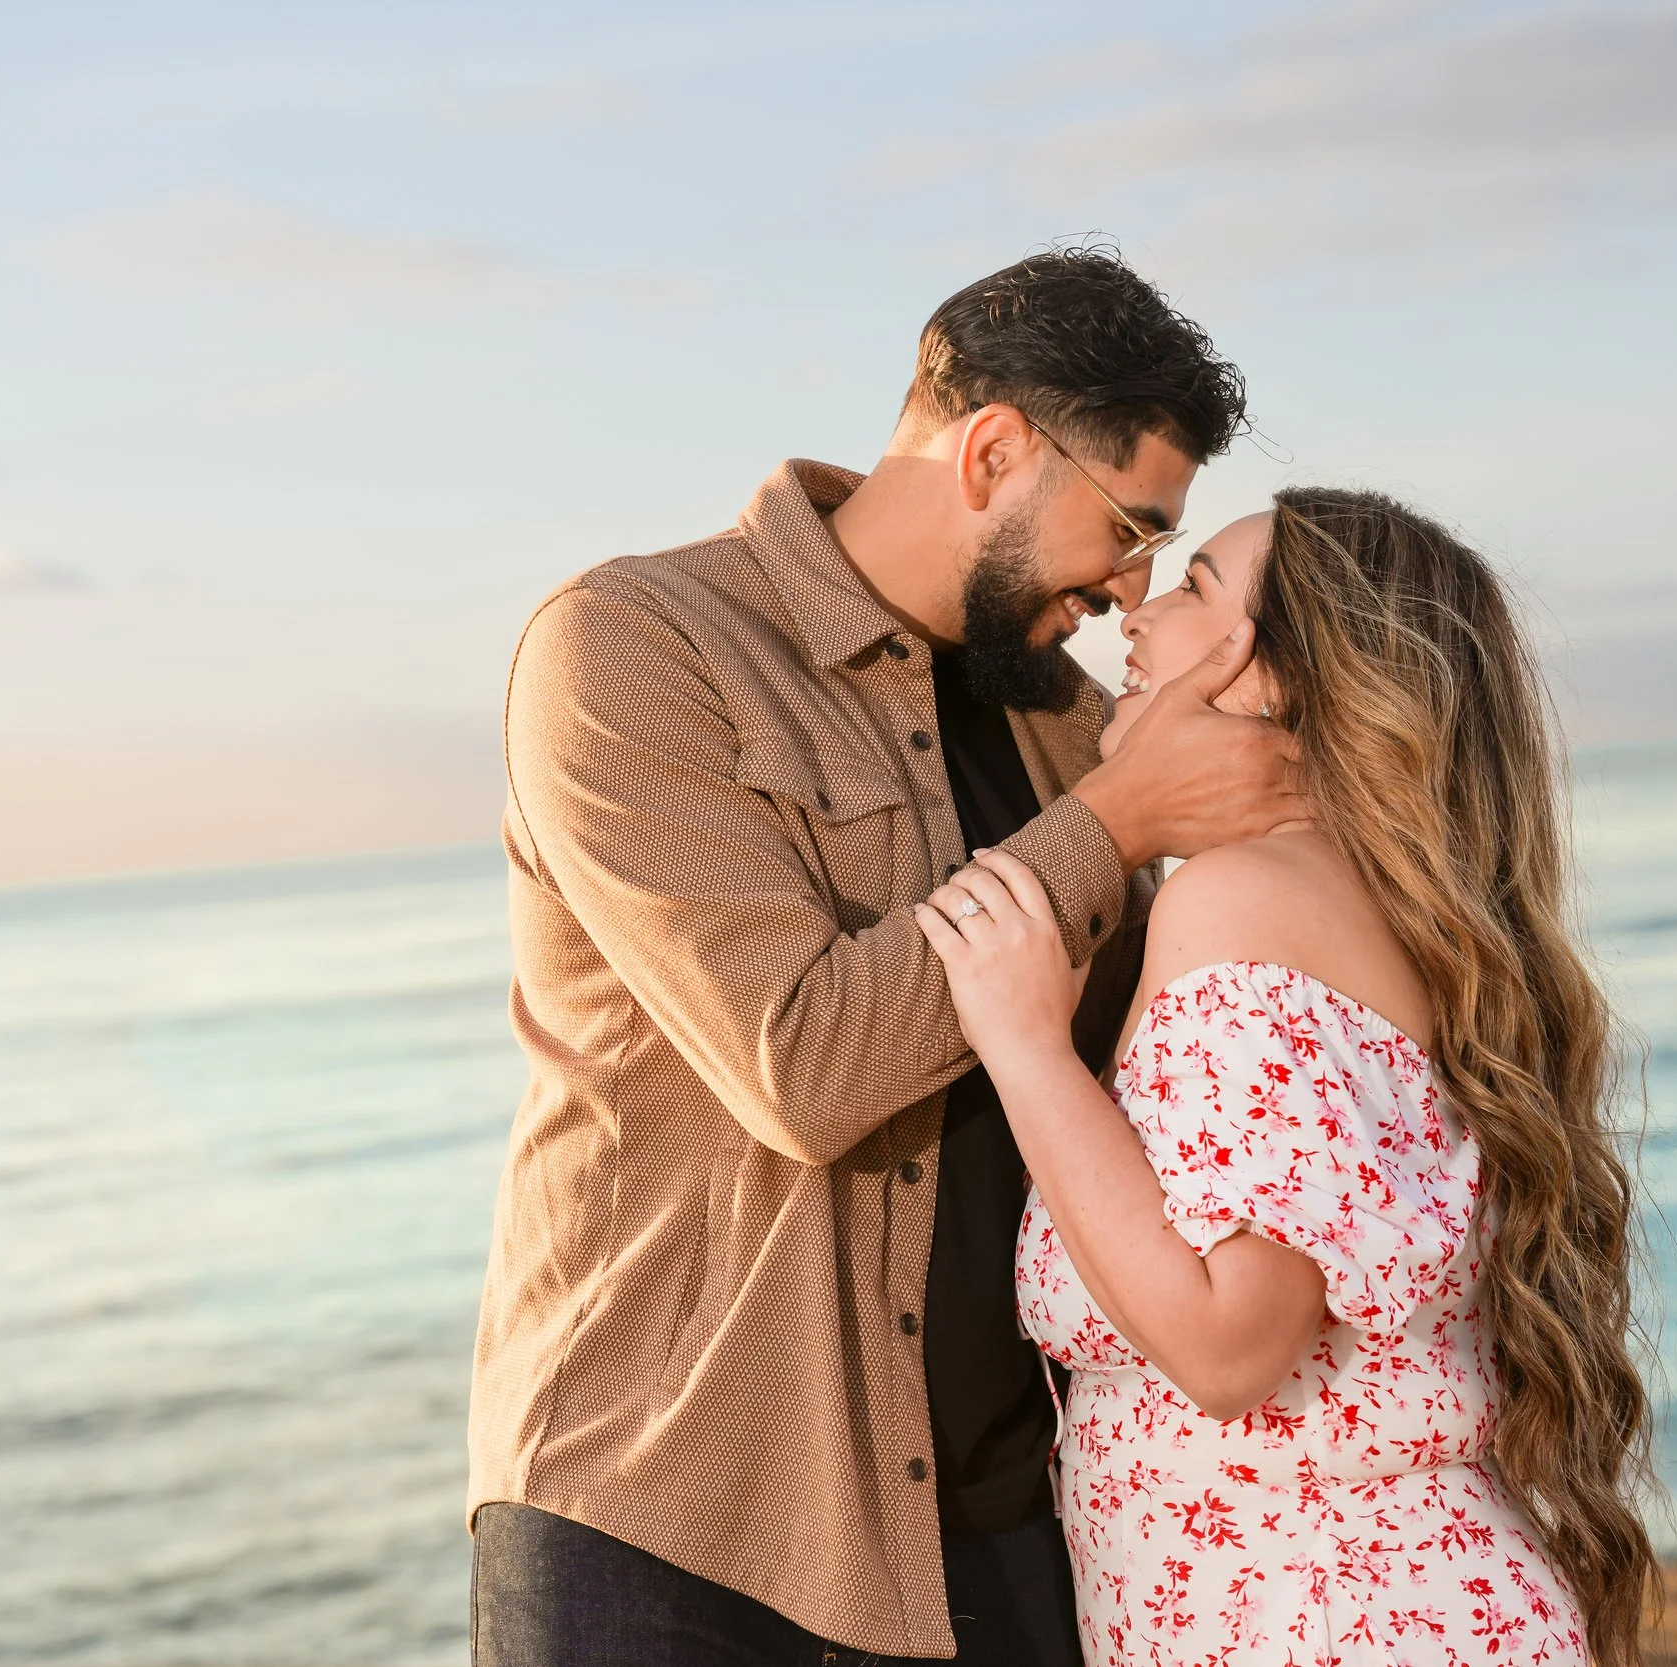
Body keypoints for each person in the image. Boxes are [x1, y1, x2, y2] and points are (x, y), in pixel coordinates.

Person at [469, 248, 1309, 1666]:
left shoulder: (1062, 719)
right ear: (992, 453)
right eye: (1127, 526)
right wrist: (1112, 827)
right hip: (676, 1521)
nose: (1131, 583)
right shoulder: (631, 648)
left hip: (1003, 1514)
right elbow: (800, 1062)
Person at [914, 490, 1660, 1666]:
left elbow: (1229, 1343)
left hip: (1319, 1621)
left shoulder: (1241, 902)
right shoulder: (1367, 905)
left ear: (1276, 679)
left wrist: (1022, 1044)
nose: (1138, 613)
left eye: (1198, 583)